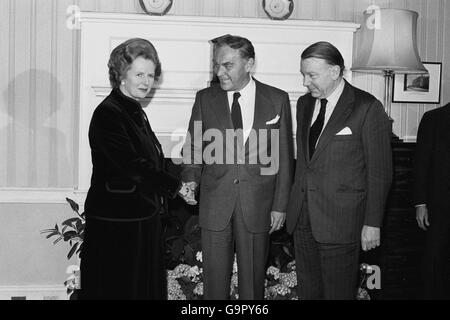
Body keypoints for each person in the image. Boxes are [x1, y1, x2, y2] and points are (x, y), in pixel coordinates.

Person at [79, 38, 195, 300]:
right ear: (121, 75)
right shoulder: (109, 113)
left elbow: (150, 161)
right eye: (139, 74)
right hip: (118, 224)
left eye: (151, 75)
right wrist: (176, 186)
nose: (146, 81)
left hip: (139, 219)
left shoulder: (133, 111)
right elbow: (132, 165)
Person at [181, 35, 294, 299]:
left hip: (258, 205)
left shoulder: (277, 99)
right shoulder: (205, 98)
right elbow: (194, 147)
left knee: (252, 285)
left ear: (249, 64)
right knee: (214, 285)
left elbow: (284, 157)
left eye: (227, 65)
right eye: (216, 65)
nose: (219, 72)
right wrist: (190, 179)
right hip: (215, 202)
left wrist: (280, 205)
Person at [286, 41, 393, 300]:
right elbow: (305, 164)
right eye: (303, 74)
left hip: (342, 222)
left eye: (311, 75)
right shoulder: (304, 105)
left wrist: (372, 223)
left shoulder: (367, 107)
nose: (305, 82)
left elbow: (380, 172)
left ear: (335, 72)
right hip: (303, 220)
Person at [413, 102, 450, 300]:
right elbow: (421, 164)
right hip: (440, 208)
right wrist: (420, 203)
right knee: (435, 263)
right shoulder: (433, 118)